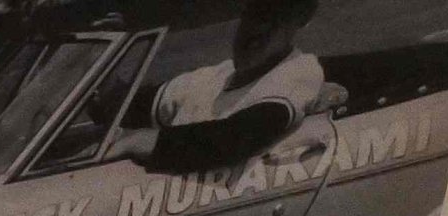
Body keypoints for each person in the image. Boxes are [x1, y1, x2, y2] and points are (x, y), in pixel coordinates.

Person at [138, 0, 340, 177]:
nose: (258, 29)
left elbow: (237, 136)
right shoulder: (214, 75)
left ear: (299, 18)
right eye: (256, 11)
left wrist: (137, 142)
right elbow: (132, 105)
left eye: (275, 16)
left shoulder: (298, 71)